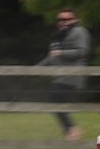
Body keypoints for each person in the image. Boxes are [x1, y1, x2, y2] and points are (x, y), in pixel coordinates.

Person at [38, 8, 91, 140]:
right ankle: (71, 131)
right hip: (60, 77)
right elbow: (52, 57)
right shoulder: (58, 37)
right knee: (54, 101)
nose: (64, 22)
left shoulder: (80, 31)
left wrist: (62, 53)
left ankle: (72, 130)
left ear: (75, 20)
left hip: (72, 76)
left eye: (67, 19)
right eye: (61, 19)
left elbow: (82, 51)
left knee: (54, 99)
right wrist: (36, 68)